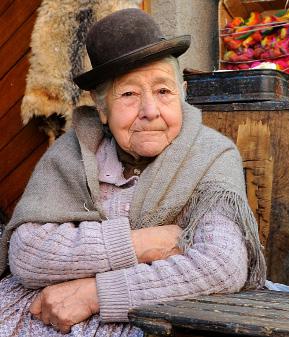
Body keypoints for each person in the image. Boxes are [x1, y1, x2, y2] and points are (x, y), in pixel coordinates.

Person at [0, 8, 266, 336]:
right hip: (48, 314)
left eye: (163, 91)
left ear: (182, 93)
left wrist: (95, 293)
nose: (150, 111)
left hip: (153, 320)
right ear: (101, 108)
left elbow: (221, 265)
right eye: (128, 94)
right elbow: (27, 255)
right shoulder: (72, 154)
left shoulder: (210, 157)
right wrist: (143, 243)